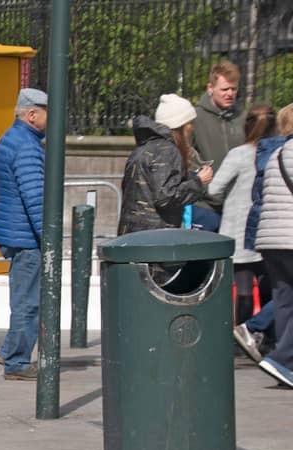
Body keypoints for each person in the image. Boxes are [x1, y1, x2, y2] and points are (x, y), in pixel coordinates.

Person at [0, 88, 48, 381]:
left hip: (13, 232)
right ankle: (17, 362)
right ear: (32, 114)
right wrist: (47, 237)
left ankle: (10, 351)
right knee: (28, 301)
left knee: (22, 296)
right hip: (26, 236)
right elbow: (35, 197)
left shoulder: (10, 138)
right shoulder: (27, 146)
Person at [207, 104, 276, 337]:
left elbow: (214, 189)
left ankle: (241, 338)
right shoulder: (278, 153)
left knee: (244, 290)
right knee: (271, 289)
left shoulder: (238, 154)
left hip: (238, 231)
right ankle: (266, 336)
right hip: (268, 231)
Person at [118, 93, 213, 235]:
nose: (192, 128)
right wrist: (198, 181)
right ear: (180, 126)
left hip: (133, 235)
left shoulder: (144, 148)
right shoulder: (167, 150)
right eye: (189, 123)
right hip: (155, 238)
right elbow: (165, 197)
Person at [250, 103, 293, 388]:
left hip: (272, 238)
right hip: (289, 237)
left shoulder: (275, 152)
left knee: (285, 301)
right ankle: (283, 359)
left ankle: (284, 363)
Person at [192, 60, 246, 175]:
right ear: (210, 88)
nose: (230, 94)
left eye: (234, 89)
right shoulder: (195, 118)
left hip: (239, 189)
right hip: (208, 188)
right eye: (225, 89)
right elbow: (186, 156)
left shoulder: (242, 117)